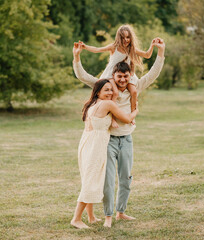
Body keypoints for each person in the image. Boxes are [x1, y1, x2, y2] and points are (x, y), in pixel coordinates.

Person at [73, 37, 165, 228]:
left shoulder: (135, 86)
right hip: (108, 141)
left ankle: (120, 212)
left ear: (130, 75)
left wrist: (161, 53)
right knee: (107, 180)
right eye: (119, 77)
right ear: (113, 77)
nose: (122, 80)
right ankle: (107, 216)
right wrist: (77, 58)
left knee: (126, 178)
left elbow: (153, 74)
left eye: (126, 77)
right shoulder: (105, 88)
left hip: (127, 139)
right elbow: (84, 76)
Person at [71, 79, 139, 229]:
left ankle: (91, 217)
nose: (110, 93)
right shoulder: (107, 104)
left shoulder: (93, 103)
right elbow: (127, 118)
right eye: (106, 90)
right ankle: (76, 219)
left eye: (110, 89)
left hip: (87, 142)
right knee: (91, 181)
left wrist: (111, 119)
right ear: (98, 92)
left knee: (89, 178)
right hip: (95, 146)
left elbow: (110, 104)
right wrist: (136, 110)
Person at [79, 25, 155, 127]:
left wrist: (153, 45)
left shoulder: (131, 48)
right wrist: (85, 46)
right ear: (119, 37)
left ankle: (132, 116)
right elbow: (97, 49)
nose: (126, 40)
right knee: (115, 92)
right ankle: (112, 118)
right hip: (111, 74)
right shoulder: (114, 47)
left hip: (124, 74)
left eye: (128, 37)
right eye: (123, 37)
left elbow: (147, 55)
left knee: (134, 92)